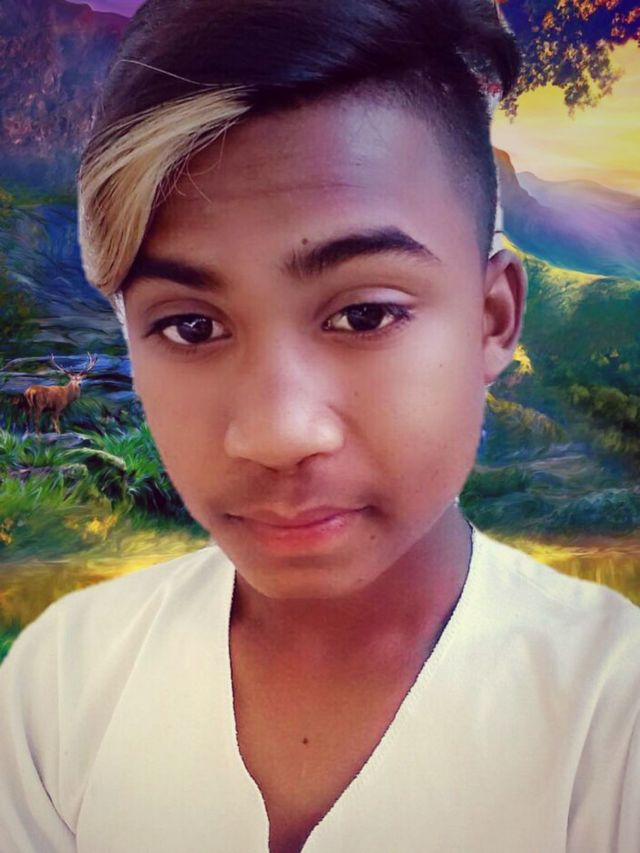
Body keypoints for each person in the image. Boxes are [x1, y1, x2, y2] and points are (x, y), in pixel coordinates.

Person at [1, 1, 638, 851]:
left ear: (493, 320)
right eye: (190, 326)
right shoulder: (61, 686)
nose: (275, 432)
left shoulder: (614, 717)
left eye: (364, 314)